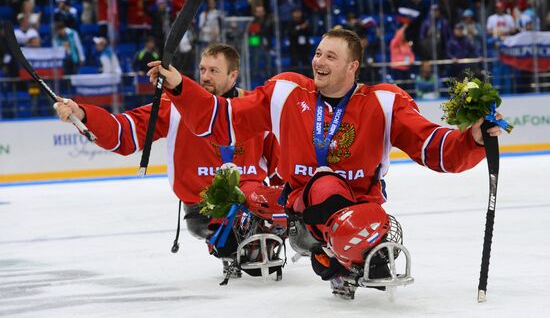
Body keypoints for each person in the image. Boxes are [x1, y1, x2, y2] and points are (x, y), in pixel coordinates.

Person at [147, 28, 503, 299]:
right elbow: (222, 120)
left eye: (331, 57)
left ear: (353, 66)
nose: (319, 61)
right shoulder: (286, 93)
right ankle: (340, 253)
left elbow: (433, 147)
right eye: (318, 53)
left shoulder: (383, 102)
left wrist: (471, 138)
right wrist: (180, 85)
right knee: (323, 185)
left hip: (361, 205)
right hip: (303, 211)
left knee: (360, 211)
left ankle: (343, 257)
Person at [54, 43, 286, 281]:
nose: (205, 77)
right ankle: (228, 245)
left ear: (233, 75)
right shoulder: (175, 106)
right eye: (202, 69)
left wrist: (286, 207)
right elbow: (124, 132)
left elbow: (281, 164)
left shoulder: (255, 108)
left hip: (252, 199)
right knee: (231, 238)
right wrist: (83, 114)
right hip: (203, 203)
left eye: (214, 71)